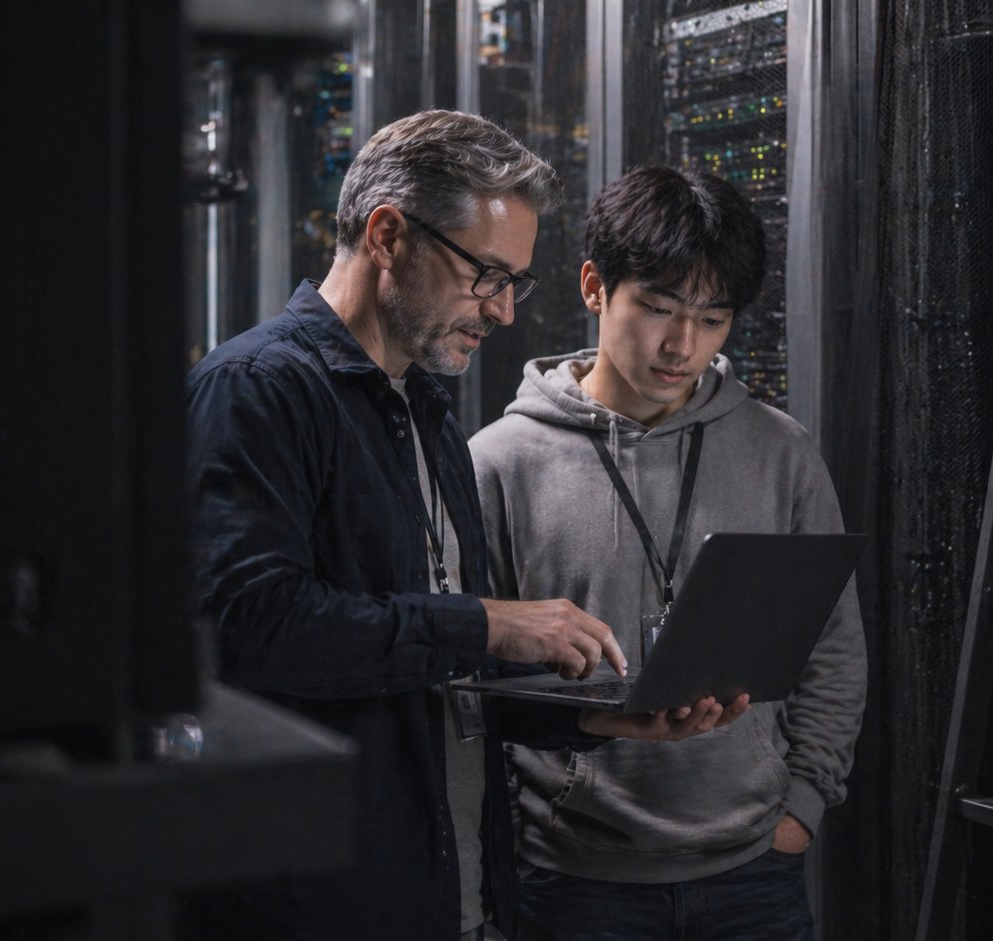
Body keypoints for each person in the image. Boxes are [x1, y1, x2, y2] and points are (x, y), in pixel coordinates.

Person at [185, 111, 745, 941]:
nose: (504, 310)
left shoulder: (428, 413)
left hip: (456, 893)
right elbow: (245, 627)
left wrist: (592, 717)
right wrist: (488, 621)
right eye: (487, 274)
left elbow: (431, 685)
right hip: (323, 902)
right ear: (387, 235)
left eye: (515, 282)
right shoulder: (256, 389)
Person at [469, 165, 867, 940]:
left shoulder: (780, 451)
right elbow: (471, 681)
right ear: (594, 287)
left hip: (756, 868)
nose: (681, 344)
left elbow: (834, 647)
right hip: (573, 881)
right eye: (656, 307)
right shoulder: (499, 462)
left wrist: (804, 810)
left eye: (713, 318)